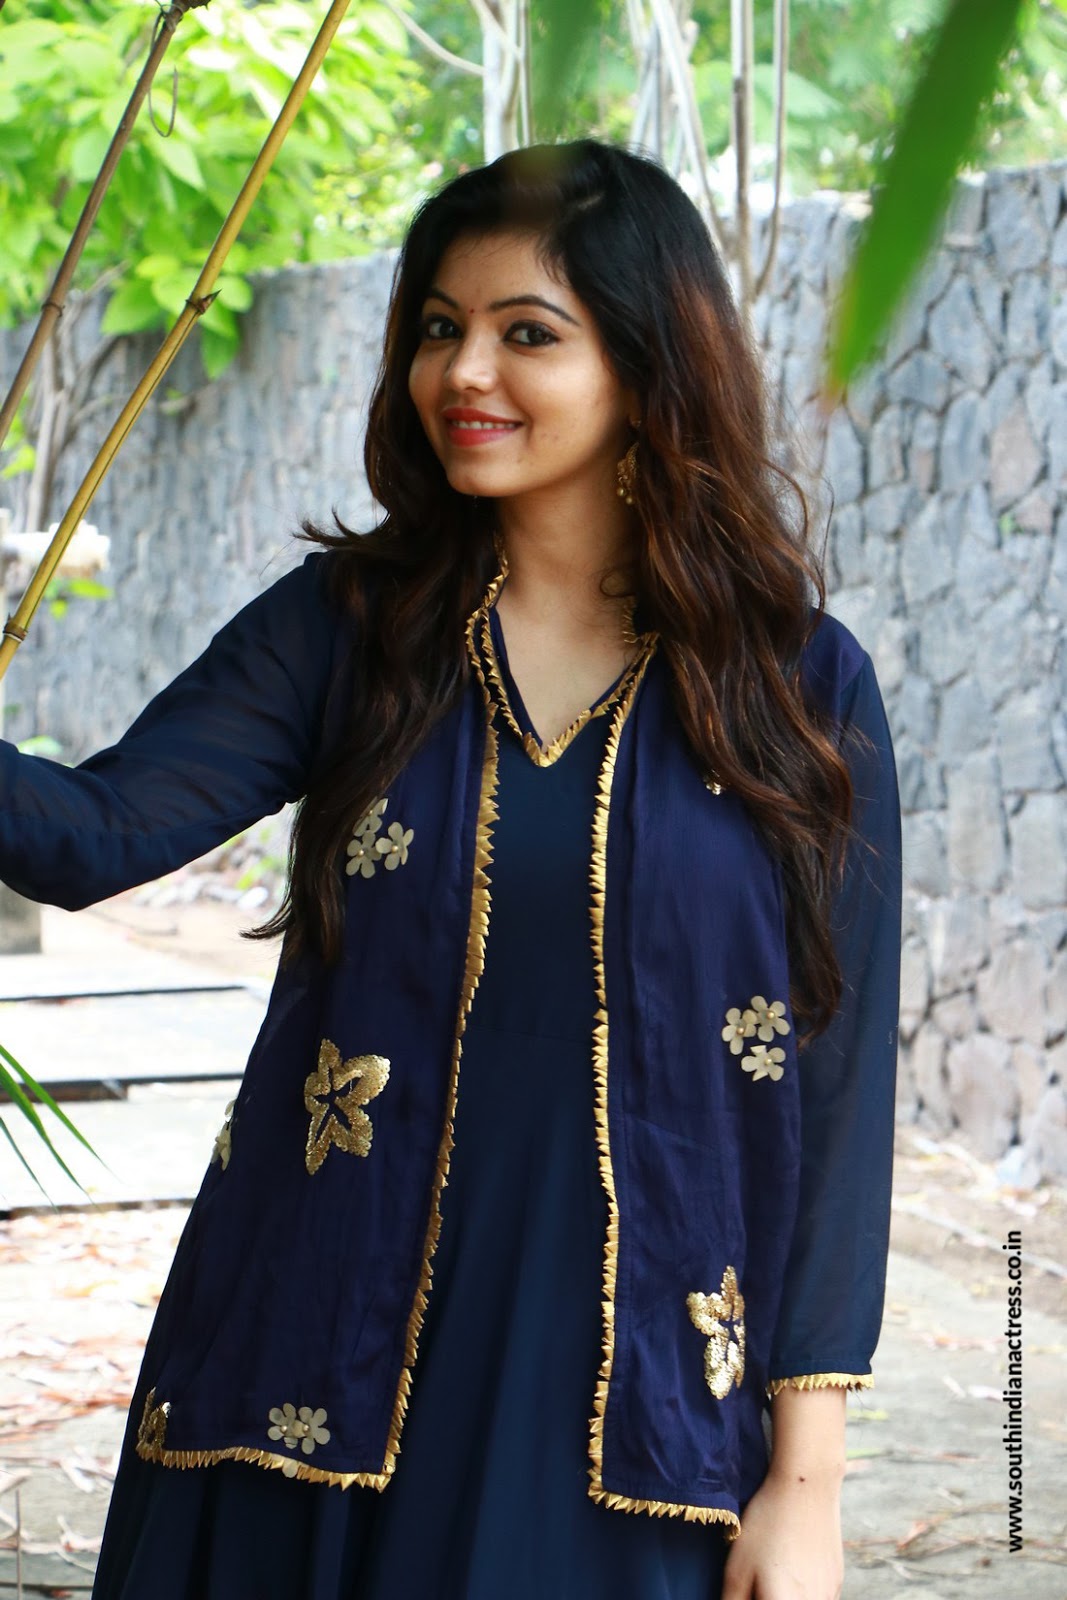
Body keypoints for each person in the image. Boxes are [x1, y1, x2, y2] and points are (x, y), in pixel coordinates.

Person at [1, 139, 901, 1600]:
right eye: (438, 327)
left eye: (526, 333)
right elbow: (94, 835)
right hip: (310, 1365)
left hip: (631, 1408)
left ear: (646, 363)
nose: (464, 372)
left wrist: (805, 1488)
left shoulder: (794, 684)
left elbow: (836, 1089)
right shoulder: (350, 629)